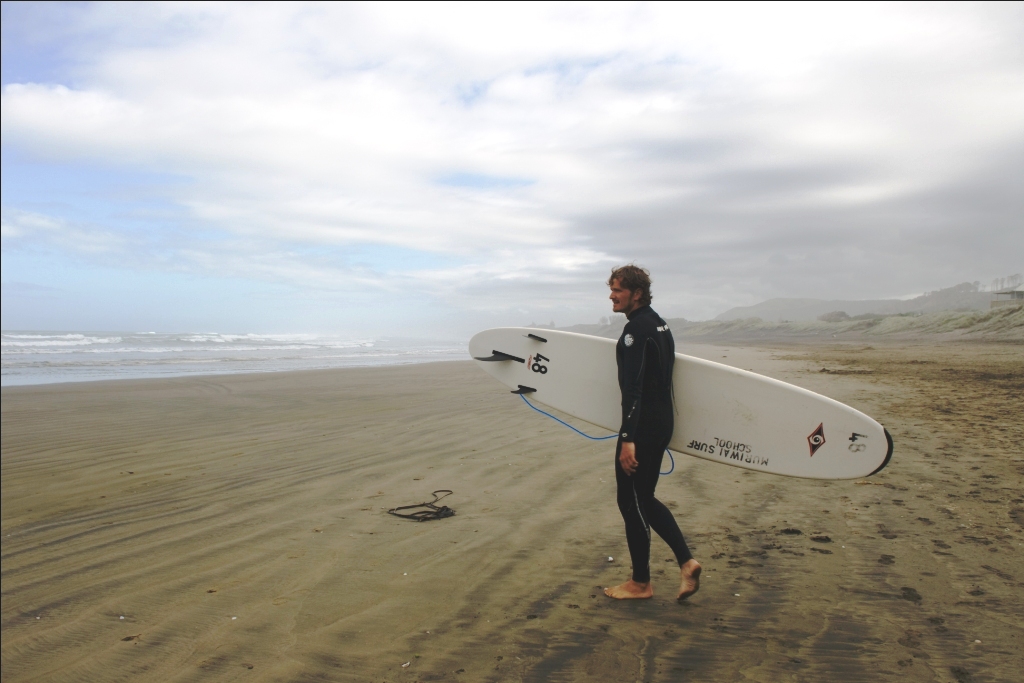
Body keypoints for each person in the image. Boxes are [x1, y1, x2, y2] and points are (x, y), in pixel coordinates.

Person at [603, 265, 701, 601]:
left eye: (618, 290)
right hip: (660, 425)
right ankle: (686, 562)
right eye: (612, 289)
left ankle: (641, 583)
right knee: (643, 498)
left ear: (637, 293)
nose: (612, 296)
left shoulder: (635, 331)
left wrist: (628, 438)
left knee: (630, 502)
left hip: (641, 429)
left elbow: (633, 389)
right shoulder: (659, 324)